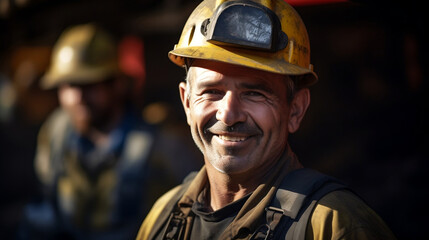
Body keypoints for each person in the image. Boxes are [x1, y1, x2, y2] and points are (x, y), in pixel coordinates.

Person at [136, 0, 397, 239]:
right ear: (187, 102)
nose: (228, 114)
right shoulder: (164, 215)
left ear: (295, 110)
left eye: (254, 93)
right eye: (212, 92)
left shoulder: (334, 224)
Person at [19, 23, 200, 240]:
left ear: (116, 85)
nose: (77, 98)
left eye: (88, 85)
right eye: (68, 86)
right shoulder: (56, 132)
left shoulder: (161, 143)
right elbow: (47, 199)